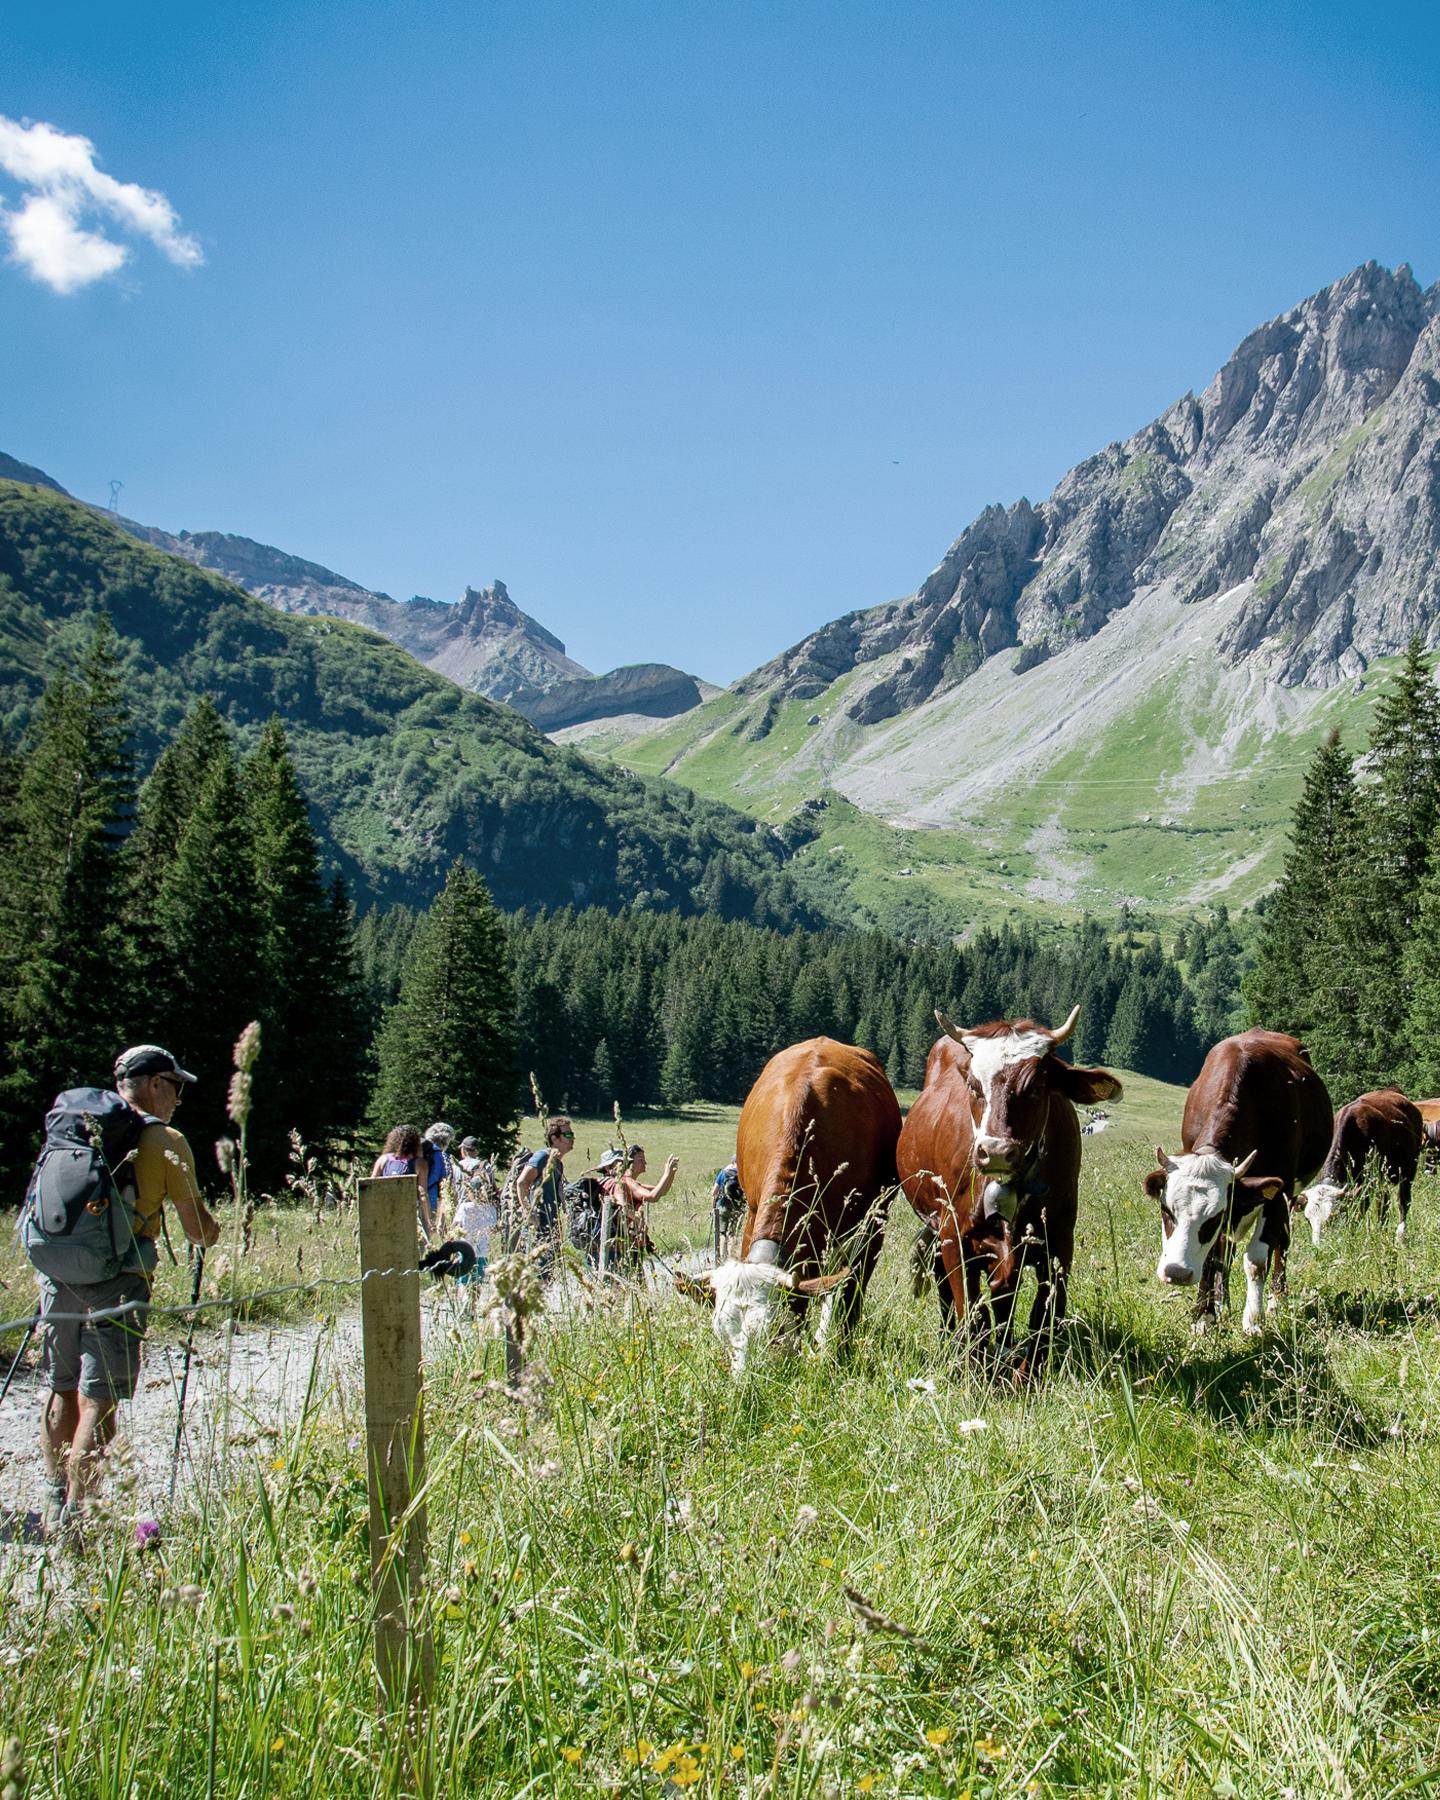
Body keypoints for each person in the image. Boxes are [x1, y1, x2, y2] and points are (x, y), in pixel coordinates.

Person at [38, 1044, 221, 1538]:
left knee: (62, 1387)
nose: (179, 1098)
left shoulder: (74, 1126)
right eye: (176, 1086)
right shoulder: (164, 1141)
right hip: (119, 1279)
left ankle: (56, 1499)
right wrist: (213, 1230)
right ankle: (80, 1524)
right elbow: (197, 1230)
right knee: (100, 1398)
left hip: (57, 1273)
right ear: (155, 1083)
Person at [514, 1116, 574, 1281]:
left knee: (547, 1277)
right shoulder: (542, 1157)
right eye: (568, 1135)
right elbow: (522, 1182)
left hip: (550, 1228)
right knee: (536, 1277)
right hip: (538, 1228)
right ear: (554, 1138)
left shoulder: (558, 1163)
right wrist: (528, 1212)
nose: (573, 1138)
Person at [610, 1143, 679, 1263]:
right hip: (618, 1242)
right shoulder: (626, 1181)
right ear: (630, 1163)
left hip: (623, 1240)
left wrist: (671, 1173)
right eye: (641, 1160)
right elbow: (653, 1196)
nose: (645, 1163)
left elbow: (661, 1191)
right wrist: (666, 1174)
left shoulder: (632, 1183)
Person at [451, 1136, 497, 1283]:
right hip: (483, 1211)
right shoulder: (486, 1166)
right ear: (476, 1150)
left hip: (461, 1209)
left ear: (463, 1150)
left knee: (462, 1267)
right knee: (478, 1273)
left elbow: (450, 1190)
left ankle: (462, 1294)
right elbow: (492, 1188)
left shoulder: (456, 1166)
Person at [421, 1123, 455, 1242]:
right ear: (446, 1140)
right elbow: (444, 1188)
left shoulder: (417, 1151)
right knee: (424, 1242)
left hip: (408, 1200)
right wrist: (441, 1218)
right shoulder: (441, 1156)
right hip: (429, 1203)